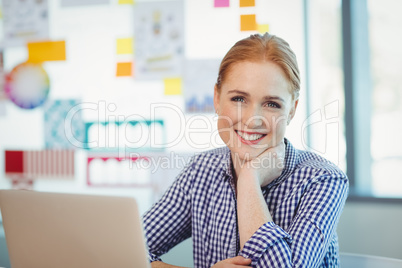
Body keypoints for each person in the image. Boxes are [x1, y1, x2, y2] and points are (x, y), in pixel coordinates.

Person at [143, 33, 349, 268]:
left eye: (272, 104)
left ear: (292, 110)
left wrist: (249, 180)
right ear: (217, 98)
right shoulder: (200, 171)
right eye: (239, 99)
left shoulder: (323, 179)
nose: (253, 120)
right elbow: (129, 251)